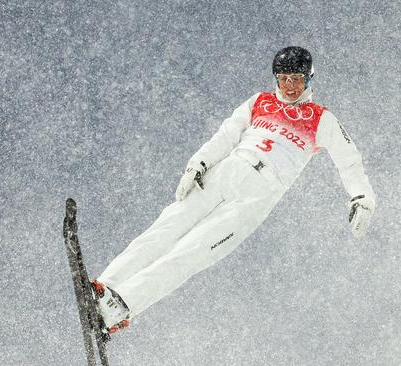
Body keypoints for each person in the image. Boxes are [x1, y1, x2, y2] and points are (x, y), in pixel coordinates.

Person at [91, 46, 376, 334]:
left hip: (260, 193)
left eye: (298, 79)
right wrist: (198, 164)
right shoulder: (259, 101)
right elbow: (226, 135)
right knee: (166, 227)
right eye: (284, 79)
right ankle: (105, 287)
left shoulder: (320, 118)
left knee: (193, 251)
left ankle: (121, 304)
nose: (290, 87)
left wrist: (362, 198)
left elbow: (349, 159)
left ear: (310, 79)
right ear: (275, 79)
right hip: (227, 170)